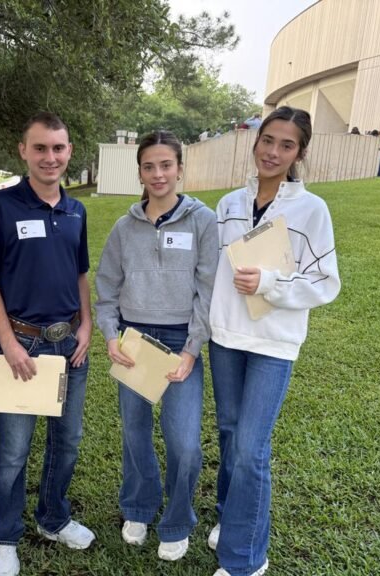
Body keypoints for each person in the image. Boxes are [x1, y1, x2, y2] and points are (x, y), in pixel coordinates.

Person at [206, 106, 341, 576]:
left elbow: (326, 283)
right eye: (268, 140)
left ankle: (246, 560)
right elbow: (214, 275)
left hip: (273, 345)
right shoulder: (227, 205)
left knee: (251, 448)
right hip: (225, 338)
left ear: (299, 152)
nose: (273, 152)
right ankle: (231, 518)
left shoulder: (311, 209)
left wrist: (269, 282)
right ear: (255, 140)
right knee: (228, 435)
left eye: (287, 145)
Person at [0, 111, 94, 576]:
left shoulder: (76, 210)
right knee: (13, 451)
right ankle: (5, 534)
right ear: (23, 151)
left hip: (70, 348)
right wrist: (8, 343)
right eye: (40, 148)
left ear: (69, 153)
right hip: (20, 346)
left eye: (58, 148)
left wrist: (85, 325)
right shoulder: (1, 206)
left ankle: (53, 517)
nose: (50, 157)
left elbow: (80, 273)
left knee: (67, 442)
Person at [95, 131, 218, 562]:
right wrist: (110, 335)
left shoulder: (204, 221)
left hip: (181, 342)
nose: (159, 174)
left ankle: (178, 520)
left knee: (184, 442)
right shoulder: (124, 227)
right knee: (135, 433)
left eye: (166, 165)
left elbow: (208, 289)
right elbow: (107, 288)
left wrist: (191, 348)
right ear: (140, 173)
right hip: (135, 340)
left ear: (180, 169)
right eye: (149, 166)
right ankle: (139, 507)